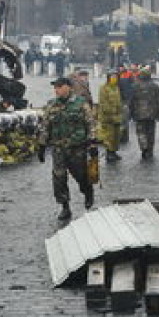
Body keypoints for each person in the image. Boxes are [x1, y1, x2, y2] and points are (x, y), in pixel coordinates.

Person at [40, 75, 95, 220]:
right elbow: (46, 126)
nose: (56, 90)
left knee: (81, 176)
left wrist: (92, 142)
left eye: (59, 86)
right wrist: (41, 144)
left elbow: (90, 123)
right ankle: (65, 207)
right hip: (58, 149)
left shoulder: (80, 103)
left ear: (68, 87)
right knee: (59, 178)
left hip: (77, 148)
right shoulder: (51, 105)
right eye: (55, 87)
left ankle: (87, 191)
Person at [129, 66, 159, 159]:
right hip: (152, 114)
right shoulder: (155, 86)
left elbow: (131, 101)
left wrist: (131, 113)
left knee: (141, 132)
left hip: (139, 114)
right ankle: (150, 150)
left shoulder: (135, 86)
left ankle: (143, 148)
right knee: (151, 133)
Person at [96, 69, 124, 161]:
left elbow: (119, 101)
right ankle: (109, 153)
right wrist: (112, 112)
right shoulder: (103, 88)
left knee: (116, 136)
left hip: (117, 117)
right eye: (112, 77)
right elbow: (103, 103)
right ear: (108, 78)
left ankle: (114, 152)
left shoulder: (116, 87)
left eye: (115, 77)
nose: (114, 78)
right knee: (109, 136)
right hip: (108, 117)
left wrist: (120, 112)